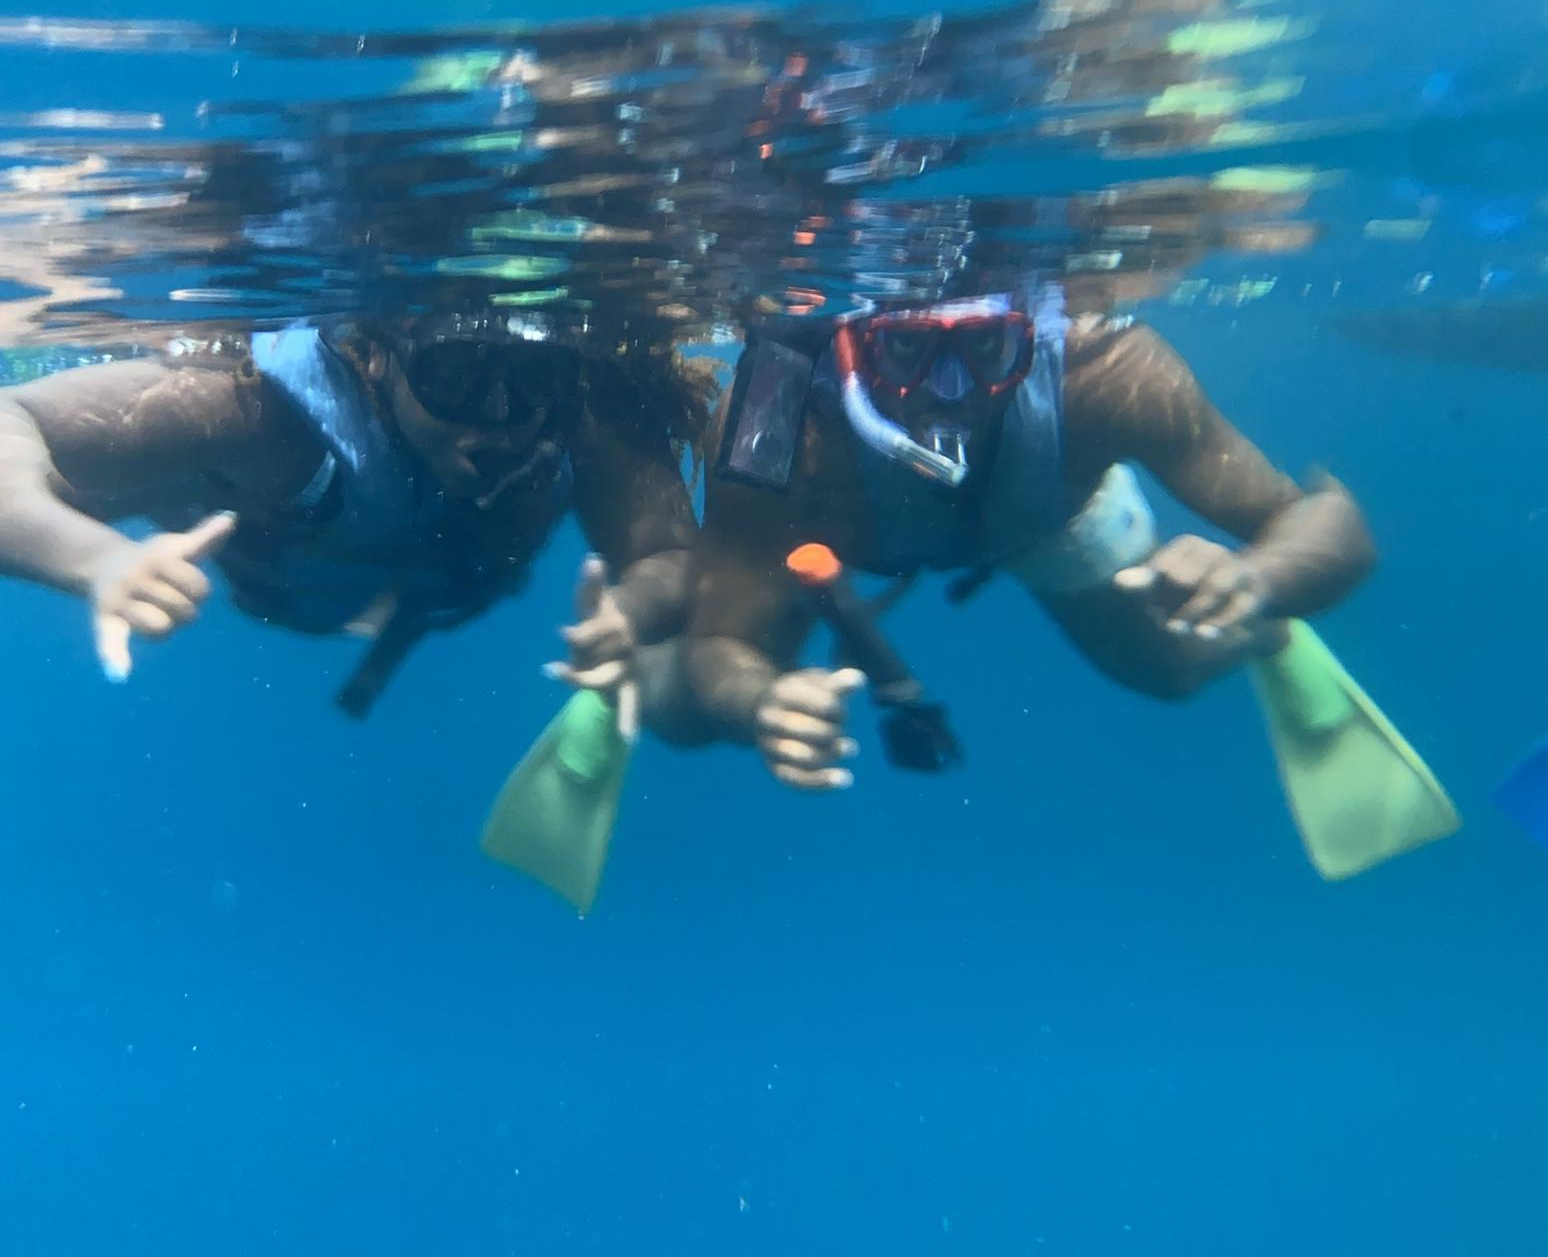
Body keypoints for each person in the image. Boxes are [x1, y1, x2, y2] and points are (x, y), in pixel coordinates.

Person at [646, 283, 1458, 882]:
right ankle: (625, 650)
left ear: (1030, 338)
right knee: (697, 708)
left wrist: (1259, 579)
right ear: (852, 346)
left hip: (1038, 516)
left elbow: (1331, 526)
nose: (950, 395)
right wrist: (758, 703)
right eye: (907, 351)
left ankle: (1263, 632)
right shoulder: (777, 420)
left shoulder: (1104, 372)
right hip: (827, 539)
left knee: (1167, 669)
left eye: (987, 351)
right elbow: (721, 645)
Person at [0, 311, 706, 720]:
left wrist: (632, 616)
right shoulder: (254, 414)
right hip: (279, 577)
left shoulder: (583, 419)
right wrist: (98, 560)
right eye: (455, 374)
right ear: (375, 357)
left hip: (419, 589)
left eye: (534, 378)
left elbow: (668, 555)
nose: (500, 419)